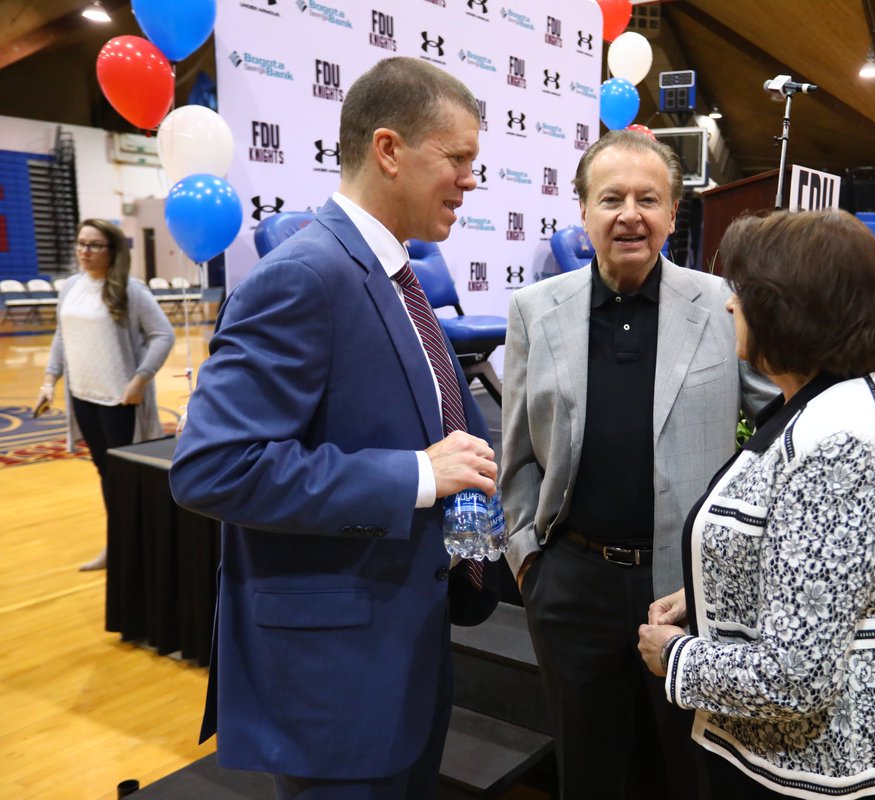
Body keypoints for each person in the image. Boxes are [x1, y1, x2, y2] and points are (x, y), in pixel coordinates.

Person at [169, 57, 498, 799]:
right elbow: (214, 467)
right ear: (388, 149)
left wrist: (486, 556)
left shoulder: (397, 280)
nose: (470, 180)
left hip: (403, 660)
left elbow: (456, 437)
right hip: (337, 691)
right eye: (457, 159)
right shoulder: (304, 277)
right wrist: (415, 476)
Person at [501, 129, 775, 800]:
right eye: (611, 198)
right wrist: (529, 562)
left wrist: (746, 556)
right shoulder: (535, 310)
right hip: (571, 586)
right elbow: (516, 456)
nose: (630, 214)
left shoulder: (721, 303)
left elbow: (779, 426)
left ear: (673, 214)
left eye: (648, 199)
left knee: (685, 778)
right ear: (584, 212)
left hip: (688, 594)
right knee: (588, 775)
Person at [638, 209, 875, 799]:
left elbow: (794, 678)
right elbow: (813, 566)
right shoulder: (847, 392)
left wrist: (676, 660)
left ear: (790, 308)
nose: (730, 306)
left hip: (820, 774)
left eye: (743, 291)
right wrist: (705, 593)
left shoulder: (841, 446)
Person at [36, 219, 175, 571]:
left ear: (112, 250)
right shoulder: (71, 287)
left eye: (94, 245)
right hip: (83, 396)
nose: (85, 251)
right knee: (105, 474)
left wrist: (139, 381)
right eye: (81, 243)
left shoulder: (131, 290)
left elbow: (163, 335)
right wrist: (49, 381)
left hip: (119, 400)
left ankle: (138, 547)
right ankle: (118, 546)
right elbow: (62, 336)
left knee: (125, 479)